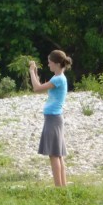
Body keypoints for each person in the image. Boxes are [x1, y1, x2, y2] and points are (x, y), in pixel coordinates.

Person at [29, 49, 72, 187]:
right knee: (58, 154)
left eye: (50, 63)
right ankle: (62, 187)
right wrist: (35, 74)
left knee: (54, 155)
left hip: (53, 119)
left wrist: (31, 71)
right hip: (55, 118)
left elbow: (36, 88)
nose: (48, 65)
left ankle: (59, 188)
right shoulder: (60, 78)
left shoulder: (57, 79)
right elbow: (41, 86)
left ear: (57, 63)